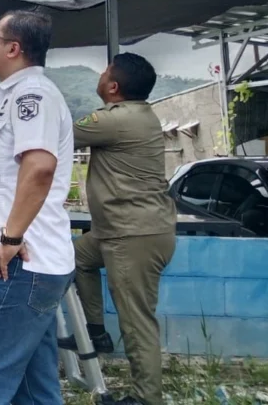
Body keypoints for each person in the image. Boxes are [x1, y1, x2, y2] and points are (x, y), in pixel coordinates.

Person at [0, 10, 74, 405]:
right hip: (25, 264)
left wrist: (10, 237)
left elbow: (40, 167)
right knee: (33, 388)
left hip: (16, 264)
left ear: (13, 48)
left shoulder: (32, 96)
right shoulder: (13, 97)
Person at [65, 53, 176, 405]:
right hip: (121, 232)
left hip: (133, 235)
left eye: (103, 72)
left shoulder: (115, 120)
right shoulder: (139, 115)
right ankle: (95, 332)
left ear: (112, 87)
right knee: (75, 257)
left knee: (137, 322)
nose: (99, 76)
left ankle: (146, 399)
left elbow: (58, 135)